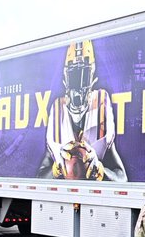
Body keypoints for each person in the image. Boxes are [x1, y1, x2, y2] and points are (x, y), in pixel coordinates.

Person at [41, 39, 127, 181]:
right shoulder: (57, 109)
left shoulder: (101, 102)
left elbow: (122, 178)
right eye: (74, 76)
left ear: (92, 75)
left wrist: (99, 169)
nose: (78, 84)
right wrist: (56, 170)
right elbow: (41, 175)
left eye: (83, 75)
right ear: (66, 77)